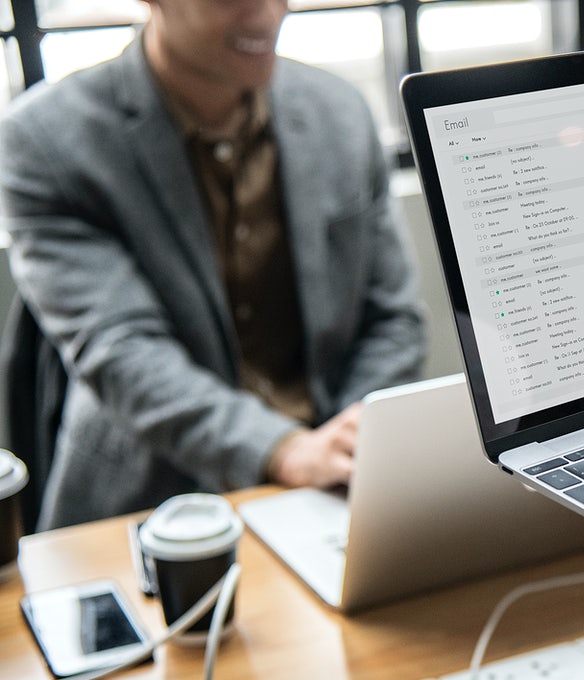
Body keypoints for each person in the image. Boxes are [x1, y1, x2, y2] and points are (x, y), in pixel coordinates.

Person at [0, 0, 425, 531]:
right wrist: (283, 450)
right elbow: (121, 350)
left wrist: (353, 440)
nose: (266, 15)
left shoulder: (339, 112)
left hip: (334, 485)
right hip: (153, 504)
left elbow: (394, 317)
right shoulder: (46, 142)